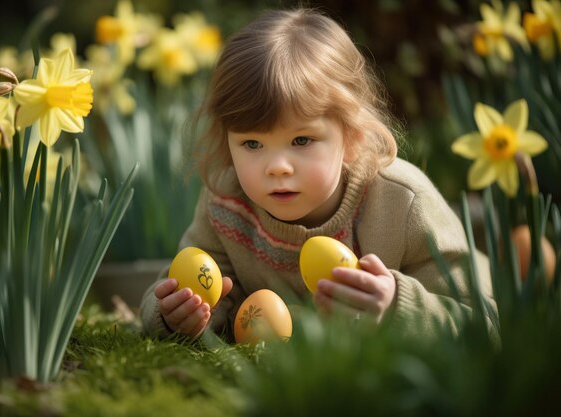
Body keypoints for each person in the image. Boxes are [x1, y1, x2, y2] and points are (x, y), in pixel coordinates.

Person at [139, 8, 495, 341]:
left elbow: (484, 323)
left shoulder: (403, 203)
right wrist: (177, 316)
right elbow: (180, 290)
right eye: (251, 144)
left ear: (353, 136)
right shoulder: (226, 203)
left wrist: (395, 305)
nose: (277, 166)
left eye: (301, 139)